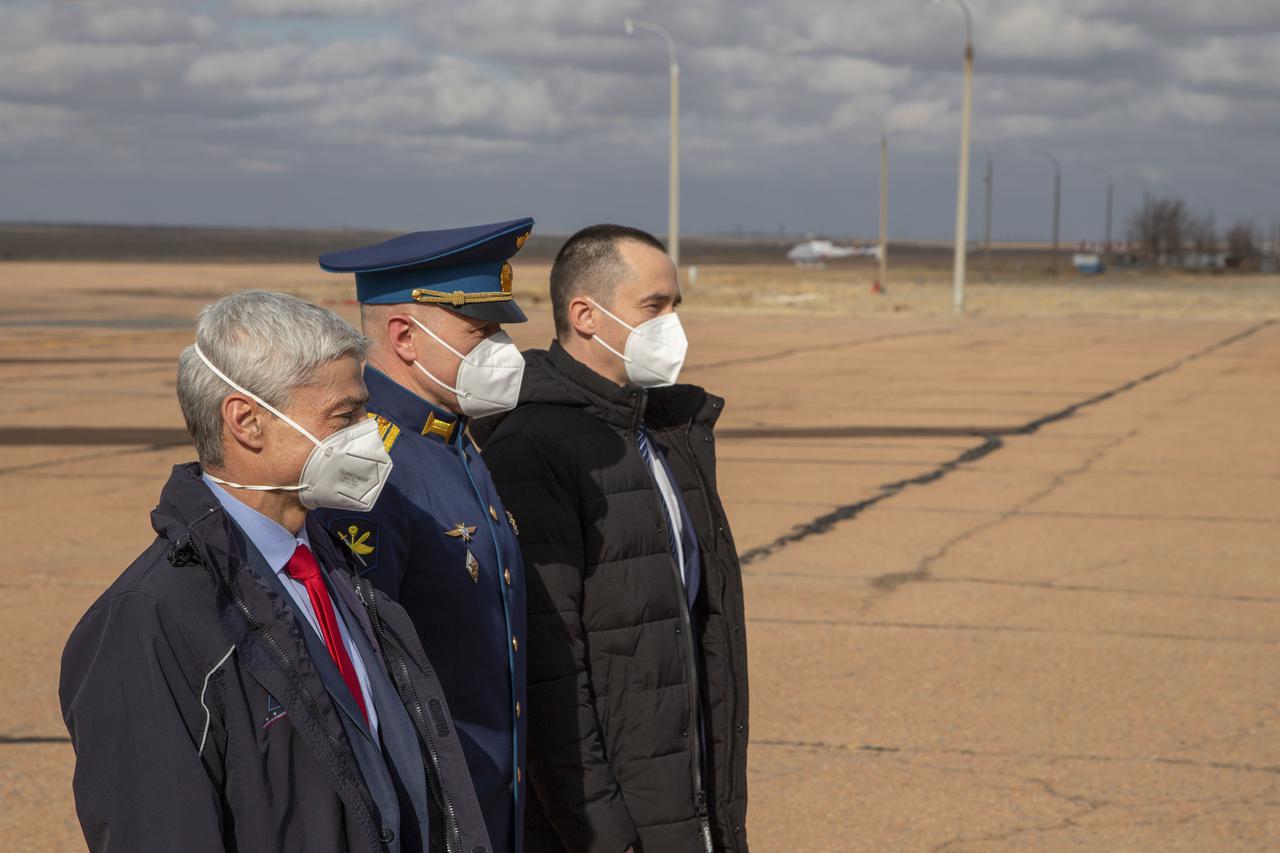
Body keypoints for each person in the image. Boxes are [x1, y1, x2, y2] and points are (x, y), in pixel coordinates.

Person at [59, 290, 492, 853]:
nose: (371, 433)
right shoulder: (150, 620)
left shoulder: (337, 567)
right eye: (346, 416)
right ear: (247, 422)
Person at [477, 225, 750, 853]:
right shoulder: (533, 446)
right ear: (585, 315)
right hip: (612, 823)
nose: (672, 325)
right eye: (654, 307)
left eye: (676, 306)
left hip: (689, 796)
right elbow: (548, 670)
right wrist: (602, 831)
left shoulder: (662, 429)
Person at [315, 219, 533, 853]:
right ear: (405, 337)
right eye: (480, 332)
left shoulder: (454, 438)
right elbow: (363, 677)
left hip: (493, 805)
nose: (500, 351)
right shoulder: (367, 462)